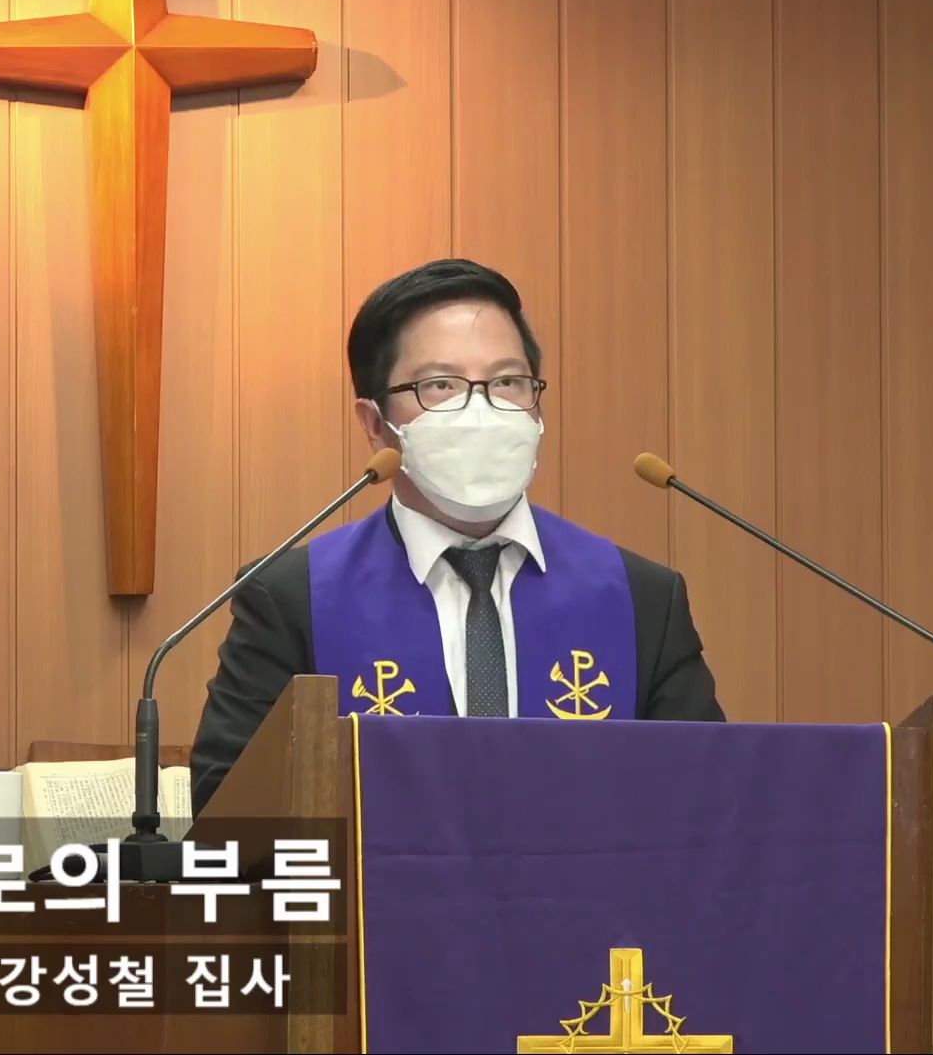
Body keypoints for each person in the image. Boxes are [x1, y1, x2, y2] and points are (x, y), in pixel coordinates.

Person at [189, 258, 726, 814]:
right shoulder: (292, 598)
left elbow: (710, 800)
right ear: (374, 423)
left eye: (508, 382)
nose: (481, 410)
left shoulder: (641, 598)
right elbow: (228, 808)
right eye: (440, 385)